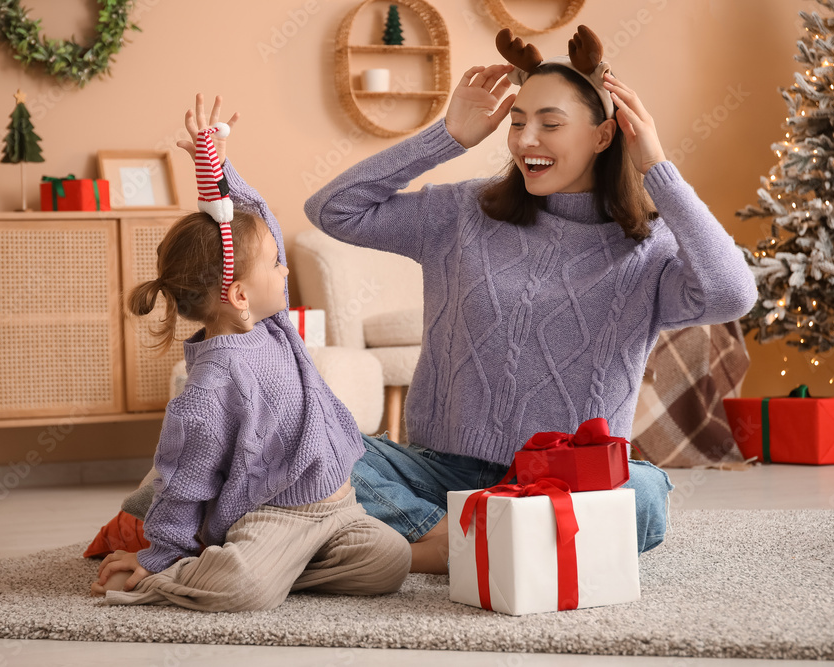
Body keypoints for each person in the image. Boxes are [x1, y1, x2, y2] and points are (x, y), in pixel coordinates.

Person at [300, 26, 758, 573]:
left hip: (565, 478)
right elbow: (333, 210)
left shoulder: (646, 249)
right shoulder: (463, 213)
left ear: (605, 136)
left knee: (643, 495)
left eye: (550, 124)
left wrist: (656, 167)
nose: (525, 140)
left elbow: (733, 294)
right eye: (517, 122)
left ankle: (438, 539)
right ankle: (456, 539)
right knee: (302, 440)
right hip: (439, 471)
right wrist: (447, 137)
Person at [90, 95, 411, 611]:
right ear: (239, 295)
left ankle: (275, 568)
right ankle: (200, 571)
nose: (285, 269)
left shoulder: (273, 325)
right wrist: (157, 556)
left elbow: (254, 216)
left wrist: (211, 160)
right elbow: (182, 479)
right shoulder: (210, 386)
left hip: (338, 509)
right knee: (244, 591)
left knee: (391, 561)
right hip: (278, 514)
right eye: (274, 266)